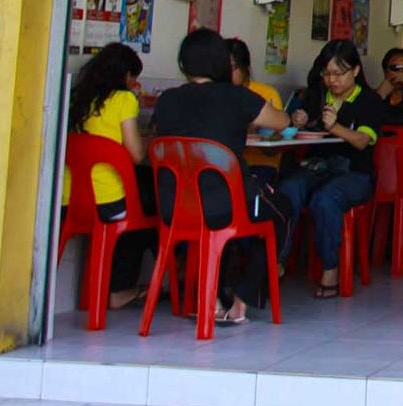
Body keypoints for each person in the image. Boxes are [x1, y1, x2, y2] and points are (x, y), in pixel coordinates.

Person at [153, 28, 291, 325]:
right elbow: (281, 121)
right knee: (280, 210)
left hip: (174, 208)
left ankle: (212, 298)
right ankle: (241, 301)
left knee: (224, 219)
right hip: (225, 207)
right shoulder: (236, 97)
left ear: (183, 64)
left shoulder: (166, 100)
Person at [279, 40, 386, 298]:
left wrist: (335, 127)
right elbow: (299, 125)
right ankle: (277, 260)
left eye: (339, 73)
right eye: (327, 73)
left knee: (325, 200)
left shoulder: (369, 101)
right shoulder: (317, 95)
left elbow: (362, 141)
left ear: (356, 71)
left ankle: (330, 267)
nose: (332, 80)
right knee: (288, 188)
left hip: (354, 173)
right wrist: (299, 120)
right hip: (317, 167)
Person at [63, 43, 156, 310]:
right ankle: (119, 289)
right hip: (107, 203)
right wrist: (151, 139)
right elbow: (137, 155)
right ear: (125, 75)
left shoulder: (76, 98)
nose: (134, 83)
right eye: (133, 77)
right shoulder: (124, 99)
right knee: (153, 213)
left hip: (69, 202)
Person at [231, 38, 284, 182]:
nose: (226, 74)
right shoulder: (218, 94)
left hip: (261, 164)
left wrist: (260, 129)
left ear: (245, 67)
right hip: (226, 166)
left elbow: (274, 149)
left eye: (232, 68)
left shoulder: (267, 94)